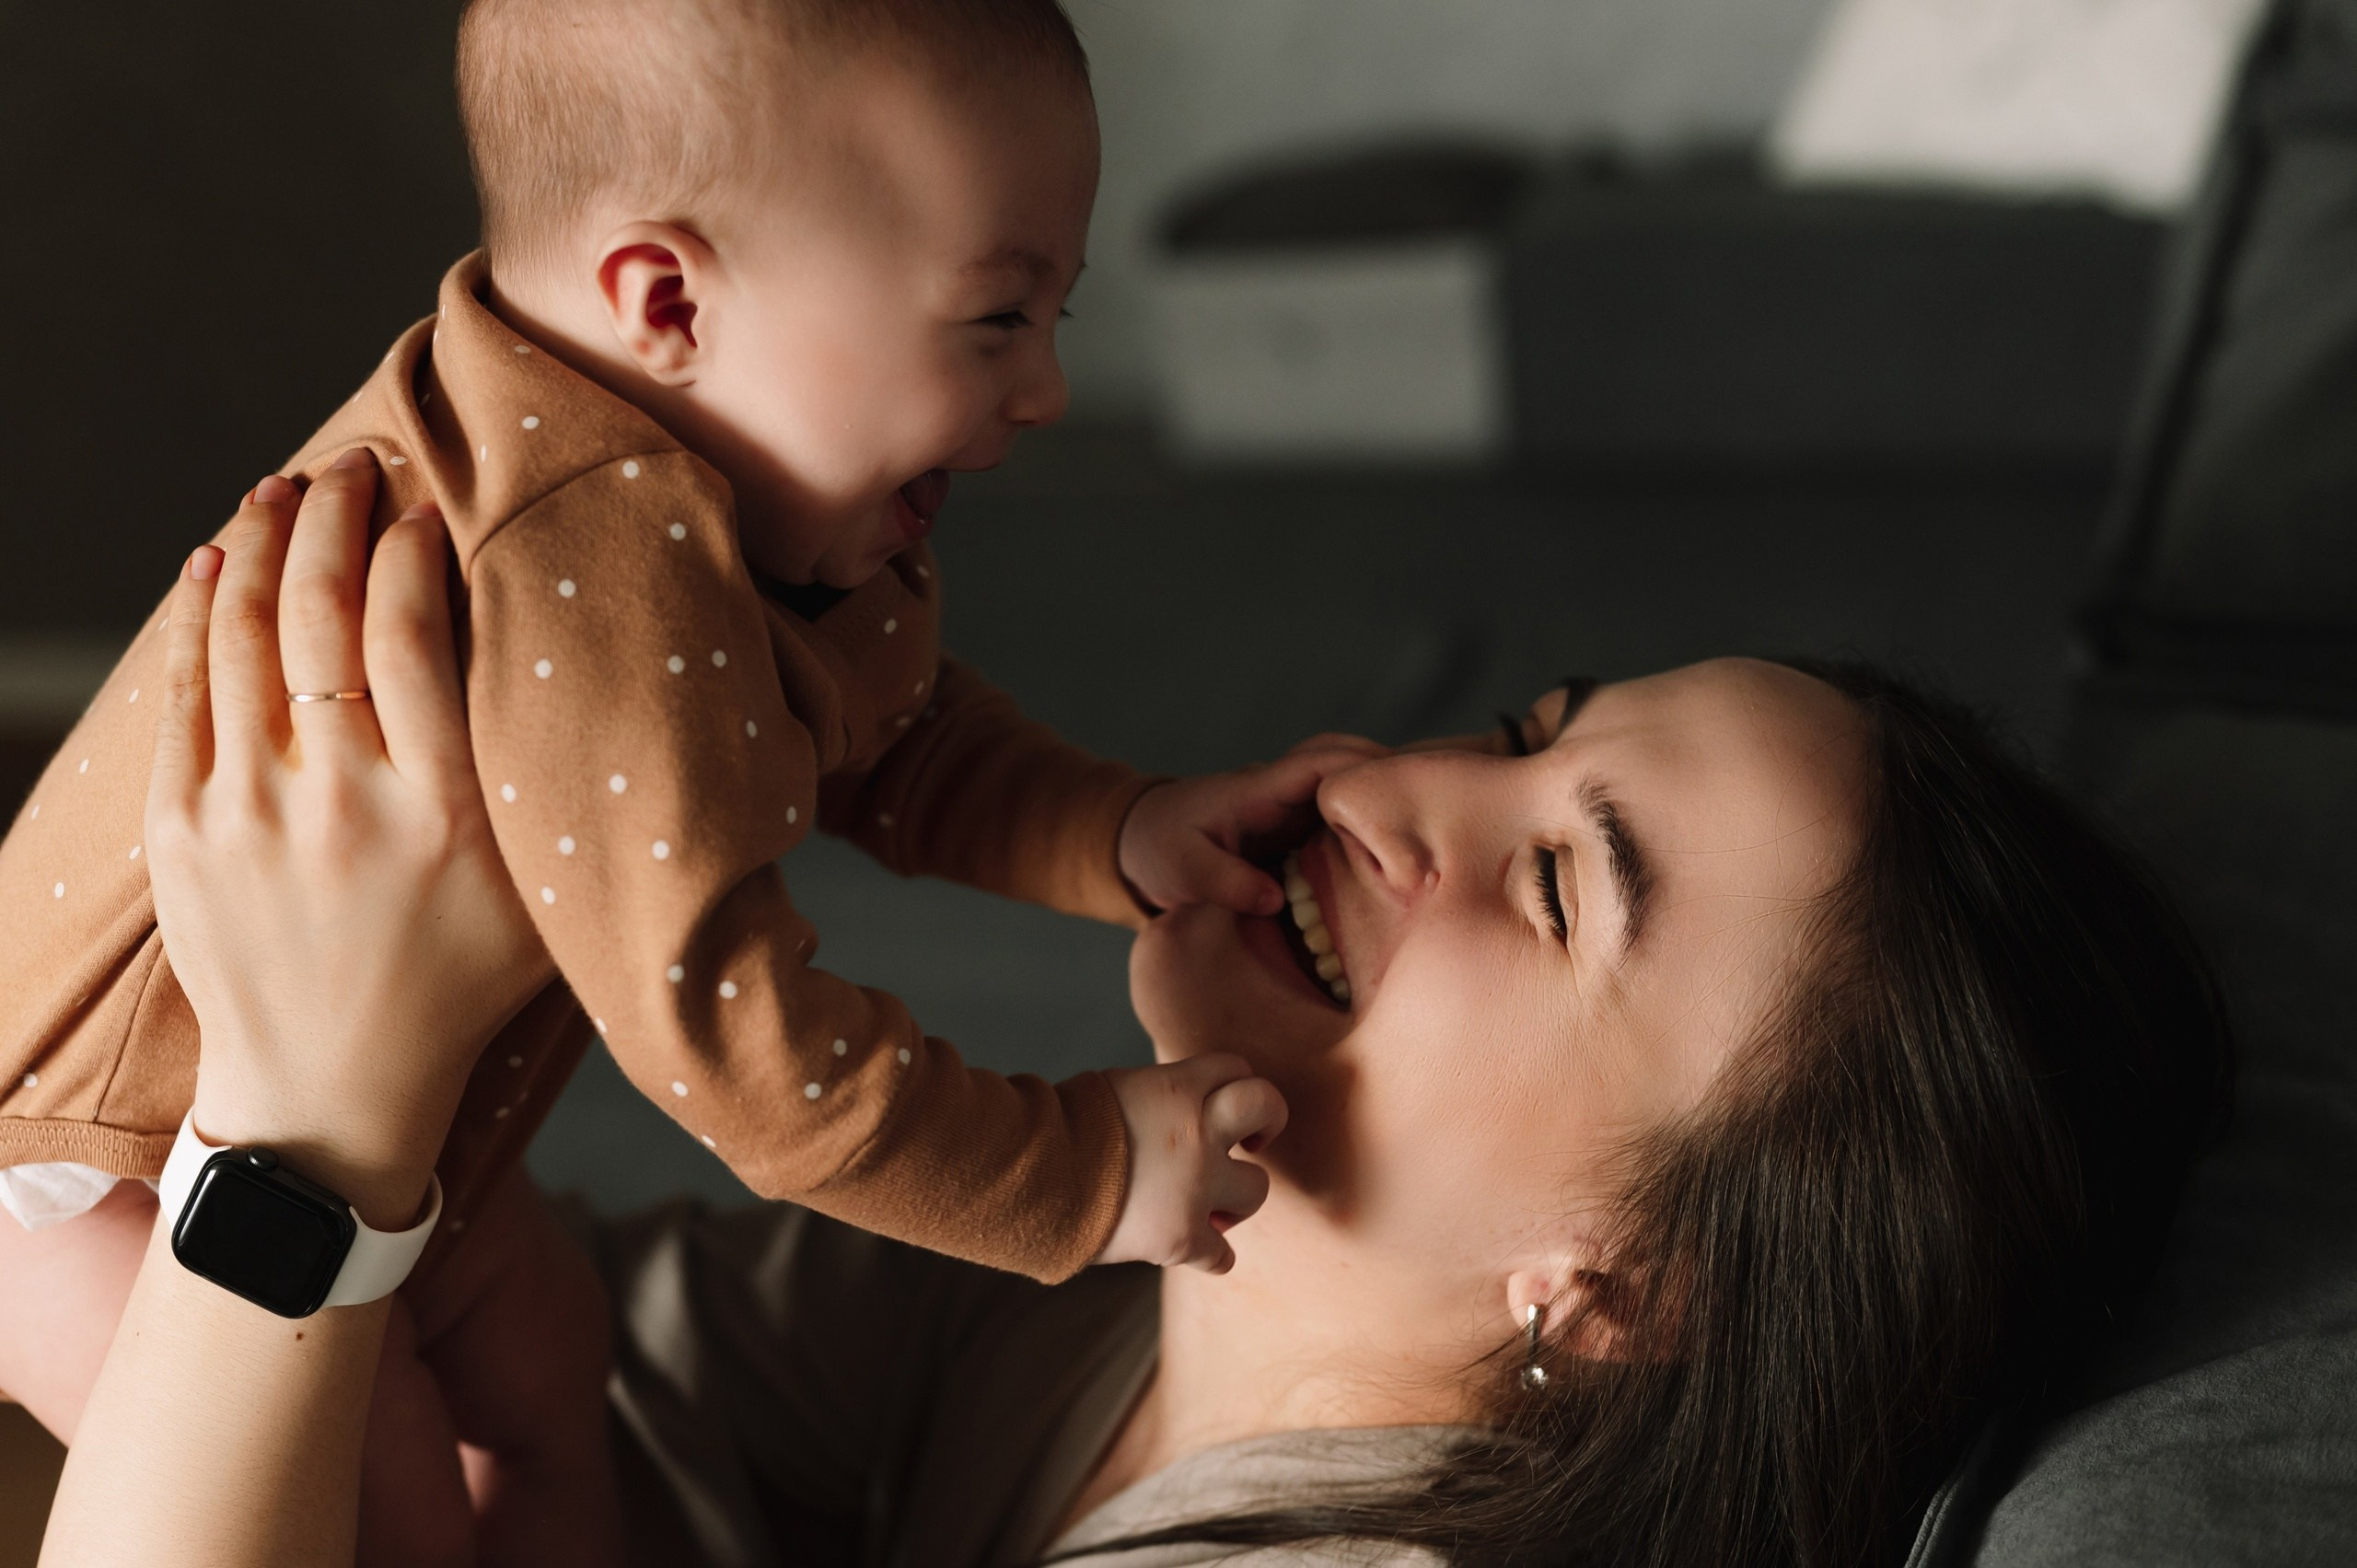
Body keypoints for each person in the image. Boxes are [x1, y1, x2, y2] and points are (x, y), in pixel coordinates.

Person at [40, 468, 2229, 1567]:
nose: (1390, 786)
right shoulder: (1114, 1290)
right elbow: (579, 1388)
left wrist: (314, 1136)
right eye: (1515, 734)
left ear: (1620, 1292)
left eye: (1556, 884)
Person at [0, 2, 1320, 1557]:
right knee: (390, 1501)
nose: (1046, 391)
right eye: (994, 322)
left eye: (1056, 319)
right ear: (670, 298)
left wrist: (1116, 829)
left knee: (554, 1363)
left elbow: (874, 731)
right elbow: (747, 1052)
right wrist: (1079, 1175)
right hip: (107, 1169)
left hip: (383, 1091)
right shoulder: (584, 567)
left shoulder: (695, 478)